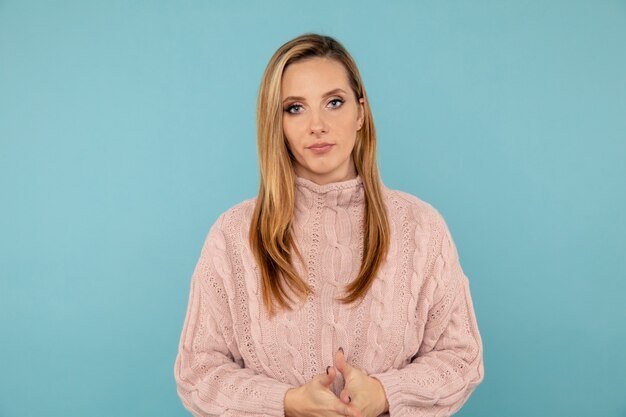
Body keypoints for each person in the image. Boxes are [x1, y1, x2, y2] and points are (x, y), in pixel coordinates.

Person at [174, 33, 484, 417]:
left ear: (360, 112)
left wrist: (387, 393)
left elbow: (460, 357)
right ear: (277, 123)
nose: (317, 125)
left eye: (333, 103)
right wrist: (286, 403)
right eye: (295, 108)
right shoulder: (234, 234)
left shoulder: (420, 228)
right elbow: (198, 372)